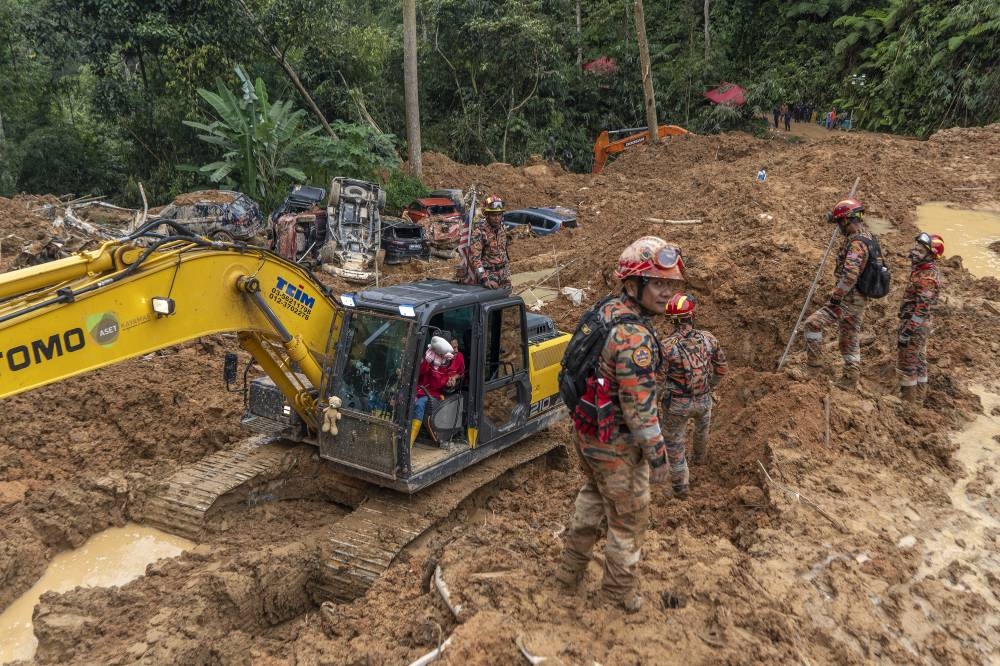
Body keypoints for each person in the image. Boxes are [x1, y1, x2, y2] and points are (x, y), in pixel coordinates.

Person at [555, 236, 683, 613]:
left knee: (593, 499)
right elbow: (640, 410)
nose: (666, 293)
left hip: (589, 430)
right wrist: (660, 458)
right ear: (633, 284)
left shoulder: (606, 310)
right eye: (658, 283)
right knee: (628, 520)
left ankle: (567, 575)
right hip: (616, 442)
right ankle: (616, 595)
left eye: (670, 284)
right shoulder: (635, 337)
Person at [658, 293, 727, 493]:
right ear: (691, 315)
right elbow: (721, 369)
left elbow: (659, 381)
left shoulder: (666, 347)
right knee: (701, 431)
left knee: (674, 443)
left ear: (671, 319)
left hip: (677, 405)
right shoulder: (709, 339)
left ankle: (681, 488)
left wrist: (652, 404)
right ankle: (700, 461)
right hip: (704, 400)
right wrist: (708, 387)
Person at [802, 198, 873, 390]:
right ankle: (850, 379)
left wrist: (836, 296)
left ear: (847, 220)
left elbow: (850, 275)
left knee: (812, 324)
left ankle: (813, 369)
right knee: (849, 338)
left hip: (849, 299)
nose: (839, 227)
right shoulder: (867, 237)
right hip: (858, 298)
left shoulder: (857, 244)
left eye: (840, 222)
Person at [898, 233, 943, 403]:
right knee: (919, 362)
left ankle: (909, 406)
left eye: (919, 250)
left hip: (915, 326)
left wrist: (907, 332)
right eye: (915, 248)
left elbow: (921, 309)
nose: (914, 252)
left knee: (908, 366)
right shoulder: (921, 270)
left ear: (930, 255)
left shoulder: (928, 277)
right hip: (917, 325)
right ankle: (918, 402)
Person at [410, 336, 455, 446]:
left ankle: (409, 442)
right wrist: (427, 361)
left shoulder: (445, 368)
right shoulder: (428, 359)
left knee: (420, 404)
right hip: (418, 391)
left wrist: (435, 368)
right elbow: (419, 373)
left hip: (432, 395)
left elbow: (437, 384)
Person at [468, 194, 511, 289]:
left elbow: (504, 254)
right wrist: (485, 279)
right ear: (486, 215)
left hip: (503, 275)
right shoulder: (480, 232)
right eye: (493, 215)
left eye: (499, 215)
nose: (497, 218)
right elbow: (475, 260)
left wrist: (507, 275)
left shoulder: (502, 230)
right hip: (489, 277)